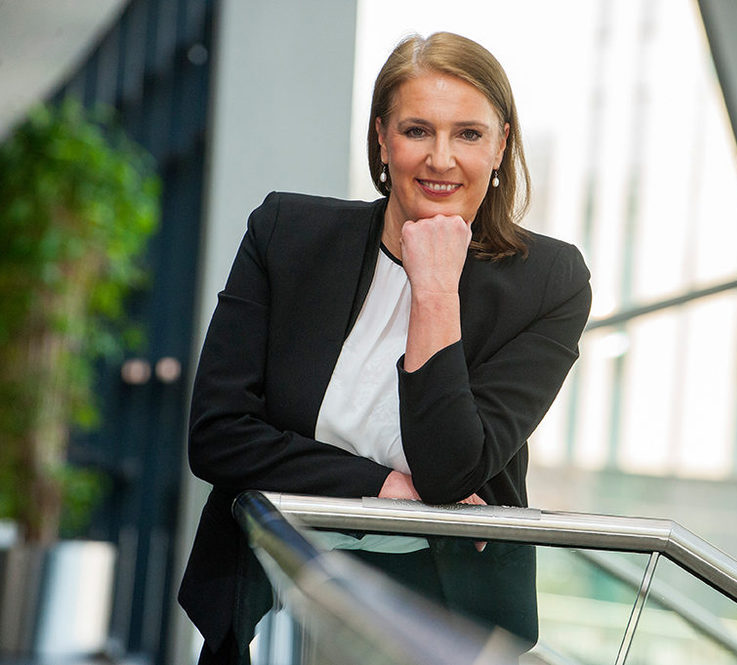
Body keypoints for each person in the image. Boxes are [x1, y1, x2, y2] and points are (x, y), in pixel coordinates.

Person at [178, 31, 591, 665]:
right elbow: (218, 435)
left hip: (445, 613)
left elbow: (452, 470)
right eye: (417, 130)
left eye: (469, 134)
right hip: (275, 585)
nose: (441, 159)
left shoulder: (550, 282)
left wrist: (434, 290)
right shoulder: (287, 234)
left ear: (501, 144)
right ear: (382, 138)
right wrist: (381, 486)